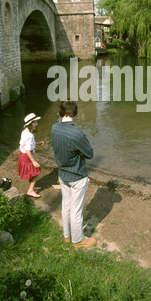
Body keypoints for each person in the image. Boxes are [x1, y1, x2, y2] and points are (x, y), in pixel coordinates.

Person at [51, 100, 96, 249]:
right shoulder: (77, 134)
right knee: (76, 210)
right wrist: (79, 153)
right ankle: (78, 240)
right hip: (77, 175)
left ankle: (67, 236)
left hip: (62, 174)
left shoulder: (54, 128)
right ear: (73, 113)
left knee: (66, 207)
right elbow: (89, 154)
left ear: (61, 112)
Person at [18, 113, 44, 198]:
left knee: (31, 172)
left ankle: (32, 187)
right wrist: (34, 161)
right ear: (30, 124)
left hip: (22, 155)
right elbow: (28, 150)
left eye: (36, 122)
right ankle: (30, 190)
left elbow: (26, 144)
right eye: (35, 122)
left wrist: (38, 143)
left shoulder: (24, 132)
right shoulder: (30, 135)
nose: (37, 124)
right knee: (36, 172)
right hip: (26, 156)